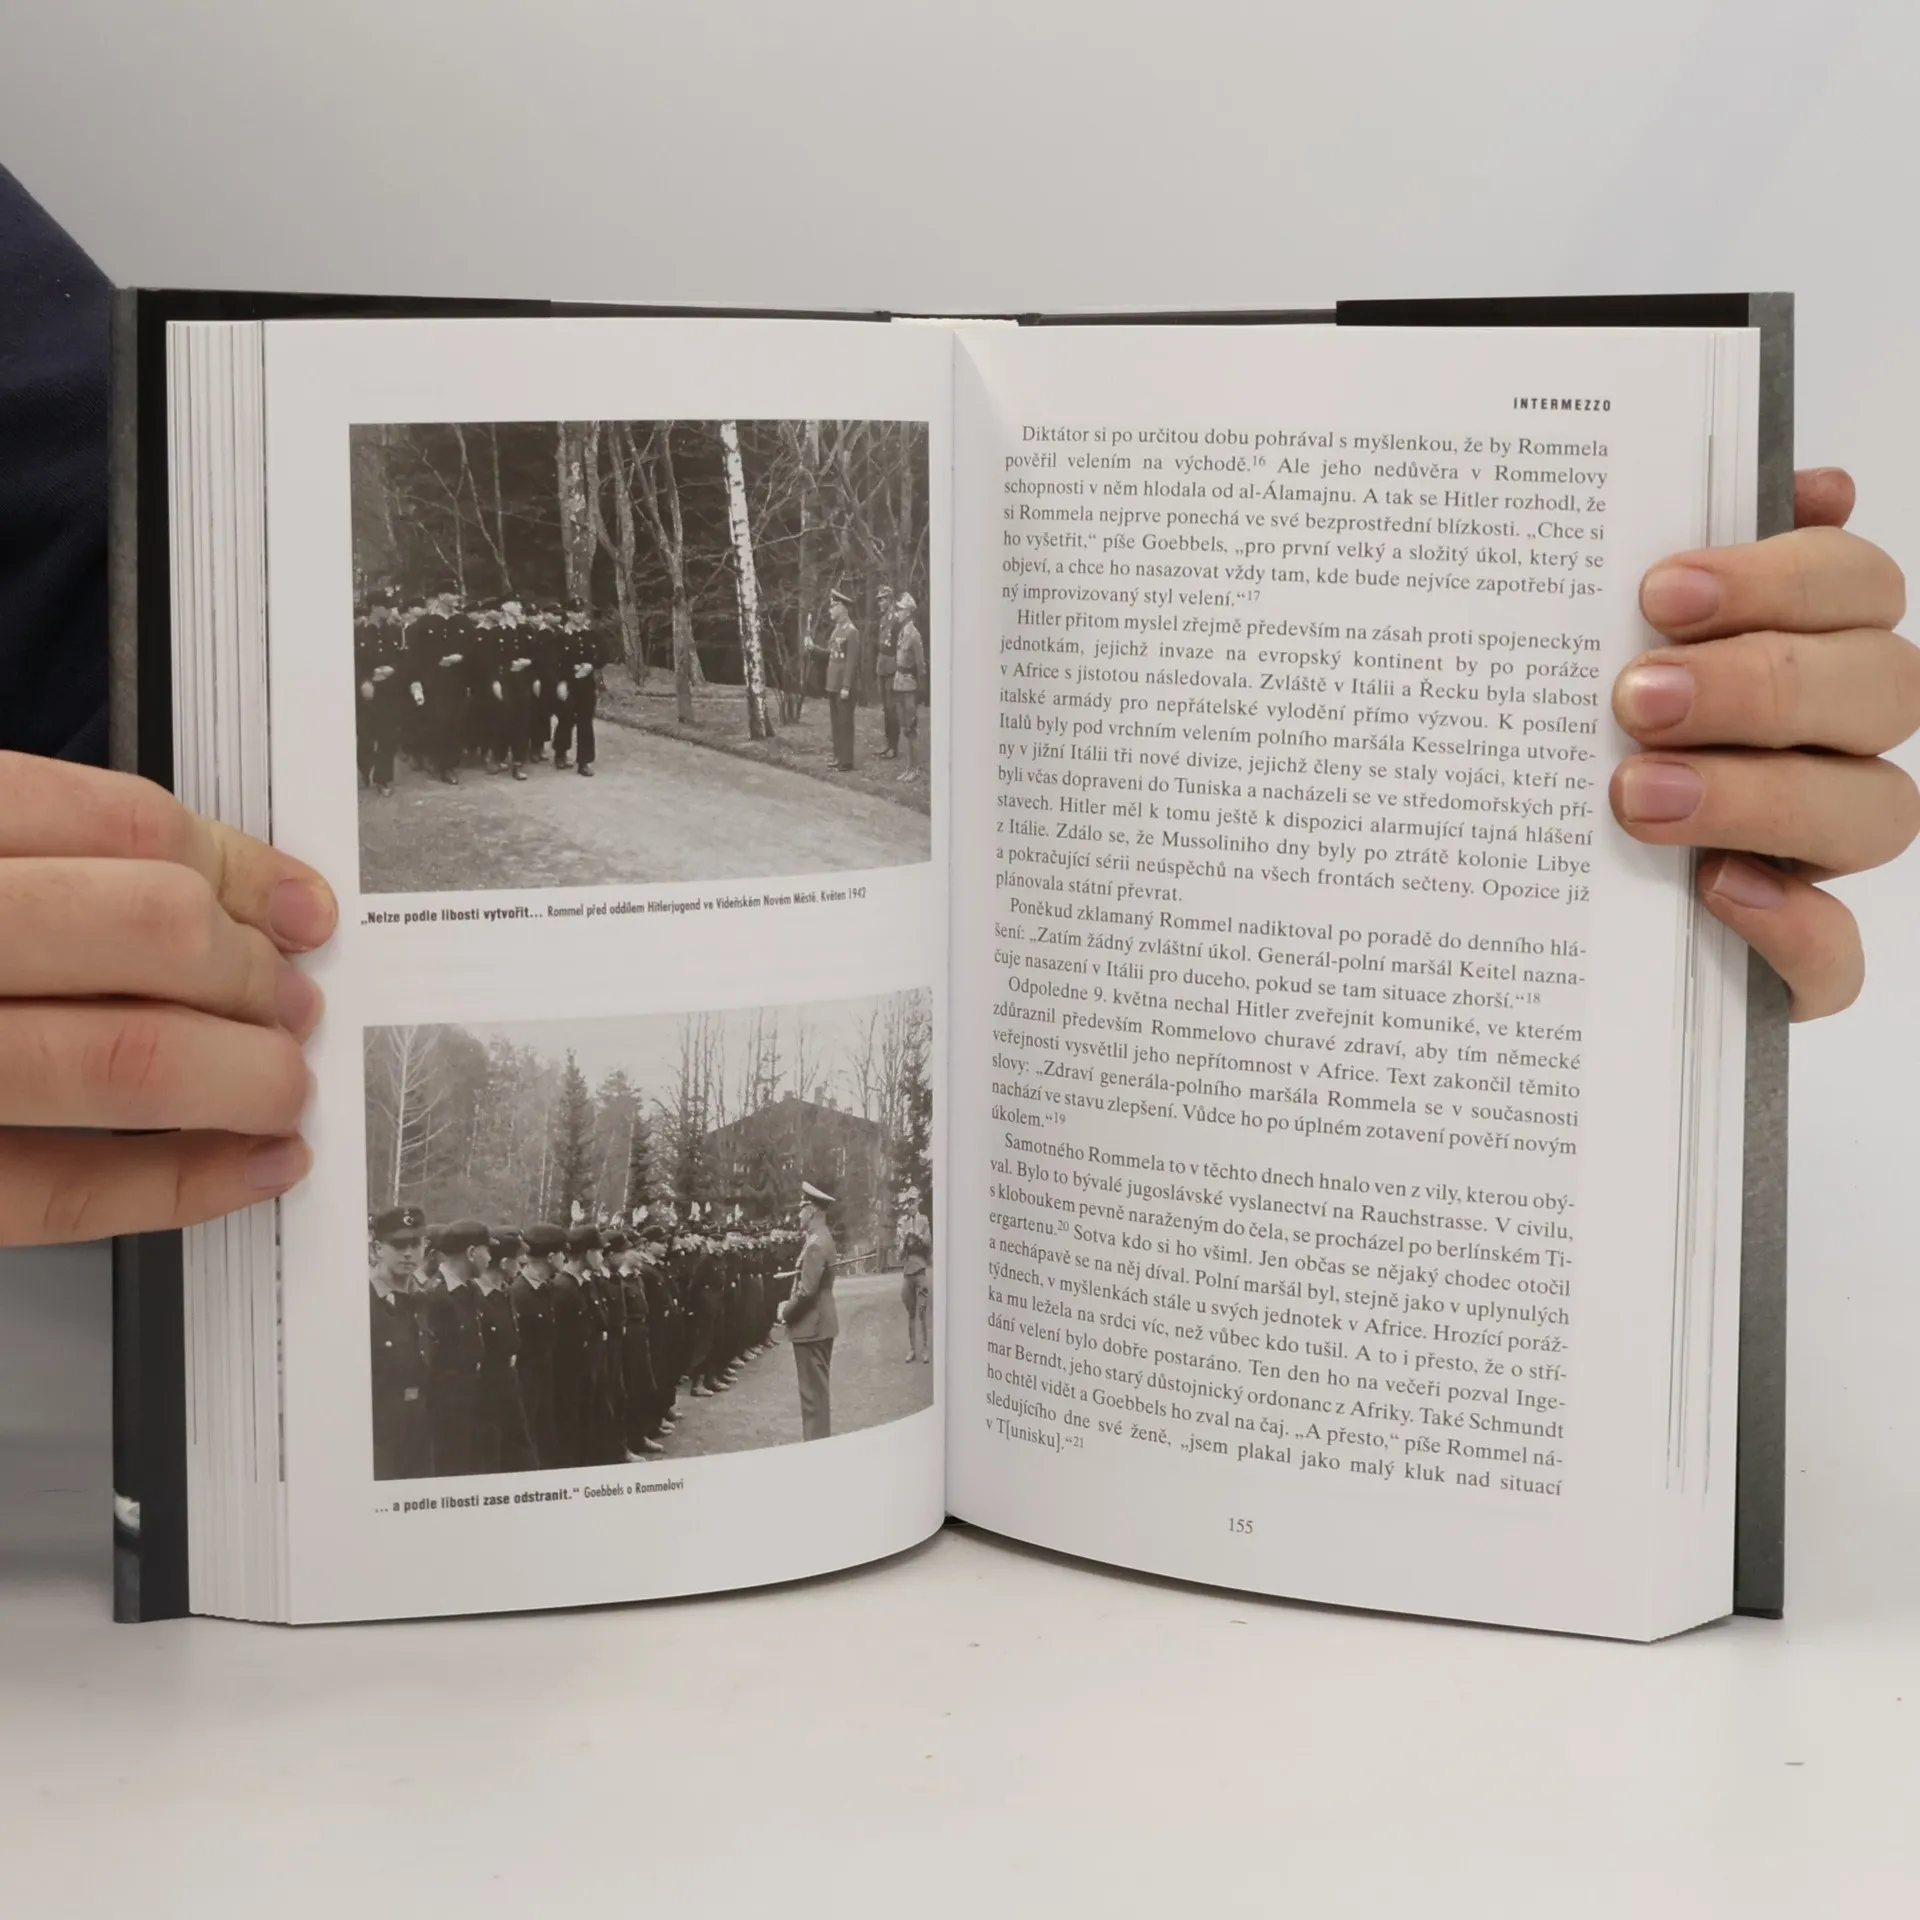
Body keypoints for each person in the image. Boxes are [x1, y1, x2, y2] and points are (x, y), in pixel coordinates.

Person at [368, 1203, 434, 1478]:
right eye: (398, 1245)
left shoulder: (422, 1300)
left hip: (420, 1423)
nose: (408, 1253)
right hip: (379, 1428)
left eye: (415, 1244)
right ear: (378, 1249)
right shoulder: (363, 1302)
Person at [421, 1221, 487, 1477]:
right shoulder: (435, 1296)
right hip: (447, 1403)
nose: (489, 1257)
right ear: (471, 1253)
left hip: (472, 1393)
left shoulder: (470, 1289)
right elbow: (429, 1359)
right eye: (486, 1251)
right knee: (452, 1466)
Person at [777, 1181, 840, 1441]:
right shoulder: (821, 1238)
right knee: (817, 1396)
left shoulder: (815, 1243)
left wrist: (785, 1311)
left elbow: (806, 1291)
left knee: (813, 1399)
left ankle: (815, 1451)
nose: (798, 1215)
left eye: (801, 1209)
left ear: (811, 1210)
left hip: (811, 1327)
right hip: (819, 1324)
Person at [507, 1225, 559, 1466]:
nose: (565, 1258)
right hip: (526, 1378)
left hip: (544, 1373)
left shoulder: (546, 1288)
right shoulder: (518, 1293)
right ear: (551, 1257)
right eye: (562, 1253)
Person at [891, 592, 926, 783]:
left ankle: (915, 768)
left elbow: (920, 664)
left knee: (911, 728)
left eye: (900, 609)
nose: (897, 612)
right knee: (905, 727)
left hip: (910, 686)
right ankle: (909, 767)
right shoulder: (903, 632)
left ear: (908, 612)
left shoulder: (913, 635)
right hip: (900, 684)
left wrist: (921, 688)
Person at [826, 583, 859, 771]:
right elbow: (831, 655)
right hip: (833, 683)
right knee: (836, 723)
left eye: (833, 606)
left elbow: (851, 662)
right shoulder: (837, 630)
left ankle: (847, 760)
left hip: (843, 686)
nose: (830, 610)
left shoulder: (851, 631)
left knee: (845, 723)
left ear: (842, 607)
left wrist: (846, 686)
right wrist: (813, 650)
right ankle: (837, 756)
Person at [898, 1187, 932, 1365]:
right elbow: (899, 1255)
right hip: (908, 1272)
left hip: (920, 1270)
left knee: (922, 1311)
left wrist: (917, 1236)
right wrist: (904, 1241)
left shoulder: (924, 1221)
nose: (910, 1205)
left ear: (918, 1202)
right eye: (908, 1202)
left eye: (913, 1201)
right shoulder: (903, 1223)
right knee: (910, 1311)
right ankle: (912, 1349)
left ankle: (925, 1349)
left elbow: (929, 1244)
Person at [874, 583, 900, 759]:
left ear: (890, 600)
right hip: (882, 665)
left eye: (883, 599)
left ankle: (893, 746)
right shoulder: (883, 620)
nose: (880, 603)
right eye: (879, 600)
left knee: (892, 708)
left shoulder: (896, 619)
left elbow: (898, 645)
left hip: (891, 666)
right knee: (885, 707)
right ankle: (887, 742)